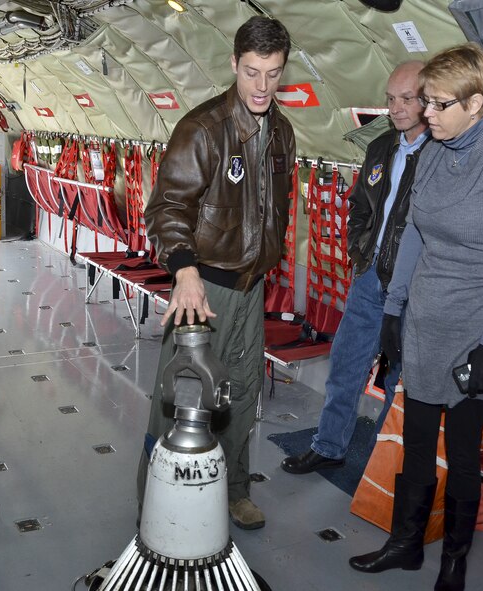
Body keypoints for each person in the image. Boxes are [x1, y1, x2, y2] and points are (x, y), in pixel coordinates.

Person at [348, 43, 483, 591]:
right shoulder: (435, 150)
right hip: (425, 321)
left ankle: (453, 563)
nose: (425, 113)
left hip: (477, 329)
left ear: (476, 102)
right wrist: (394, 310)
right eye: (426, 102)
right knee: (414, 440)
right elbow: (412, 232)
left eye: (436, 104)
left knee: (460, 453)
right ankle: (405, 544)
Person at [137, 15, 295, 531]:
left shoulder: (282, 133)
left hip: (252, 287)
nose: (262, 86)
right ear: (234, 64)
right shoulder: (203, 128)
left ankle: (232, 490)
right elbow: (166, 209)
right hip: (203, 289)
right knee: (181, 395)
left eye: (273, 74)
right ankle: (154, 503)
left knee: (242, 392)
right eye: (252, 72)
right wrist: (183, 270)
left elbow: (276, 206)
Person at [281, 61, 429, 475]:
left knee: (399, 382)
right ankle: (328, 445)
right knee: (346, 364)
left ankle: (384, 468)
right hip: (369, 278)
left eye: (406, 99)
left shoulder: (441, 153)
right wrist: (358, 251)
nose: (396, 109)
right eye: (390, 100)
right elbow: (361, 204)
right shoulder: (381, 147)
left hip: (412, 288)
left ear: (428, 100)